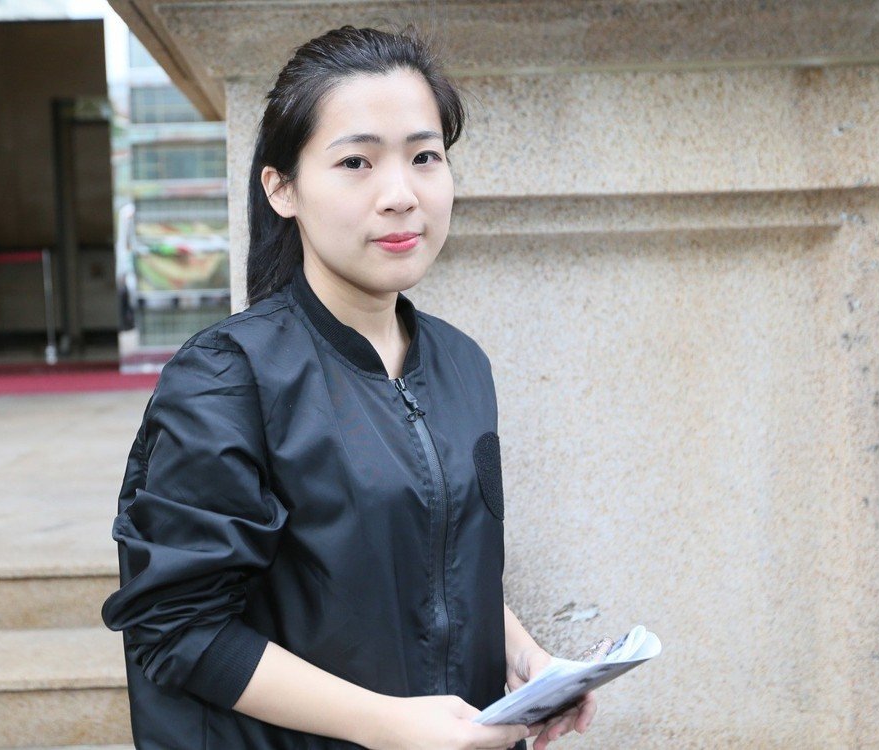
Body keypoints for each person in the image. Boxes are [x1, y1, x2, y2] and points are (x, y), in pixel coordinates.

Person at [101, 24, 599, 750]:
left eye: (424, 157)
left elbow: (443, 562)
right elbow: (179, 627)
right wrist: (391, 726)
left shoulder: (461, 364)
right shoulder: (227, 380)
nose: (400, 195)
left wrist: (527, 660)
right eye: (356, 162)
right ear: (282, 188)